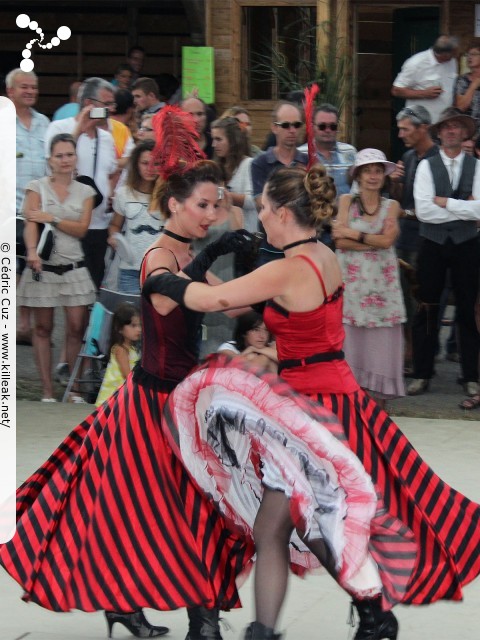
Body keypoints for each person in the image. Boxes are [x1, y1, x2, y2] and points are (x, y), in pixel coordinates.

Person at [149, 162, 480, 640]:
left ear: (284, 212)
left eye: (263, 208)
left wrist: (162, 276)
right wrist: (202, 268)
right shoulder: (322, 254)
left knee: (291, 525)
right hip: (328, 397)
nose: (258, 216)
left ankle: (354, 615)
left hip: (311, 408)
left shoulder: (287, 268)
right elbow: (235, 301)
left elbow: (211, 303)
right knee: (289, 525)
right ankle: (346, 617)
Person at [0, 107, 253, 640]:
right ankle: (167, 612)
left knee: (196, 508)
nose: (212, 213)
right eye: (203, 205)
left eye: (216, 204)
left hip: (187, 399)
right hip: (154, 407)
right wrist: (216, 256)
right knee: (146, 511)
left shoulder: (184, 246)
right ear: (175, 204)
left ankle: (193, 615)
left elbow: (220, 307)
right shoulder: (158, 253)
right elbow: (174, 302)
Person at [17, 133, 97, 403]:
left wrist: (51, 216)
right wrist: (30, 252)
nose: (65, 160)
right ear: (49, 160)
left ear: (76, 158)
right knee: (43, 327)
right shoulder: (35, 187)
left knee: (76, 326)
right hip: (43, 266)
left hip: (74, 265)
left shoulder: (86, 191)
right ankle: (47, 391)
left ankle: (73, 389)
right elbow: (30, 222)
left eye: (69, 154)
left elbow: (82, 229)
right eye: (59, 155)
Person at [409, 107, 480, 405]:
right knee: (427, 308)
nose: (451, 131)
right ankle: (422, 373)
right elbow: (423, 210)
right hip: (432, 245)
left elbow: (479, 210)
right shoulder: (426, 165)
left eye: (457, 127)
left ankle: (472, 376)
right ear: (438, 133)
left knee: (468, 310)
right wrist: (461, 206)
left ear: (465, 133)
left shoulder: (477, 166)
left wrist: (443, 202)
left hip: (468, 244)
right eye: (446, 127)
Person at [332, 149, 406, 406]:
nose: (373, 176)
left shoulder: (391, 205)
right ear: (358, 175)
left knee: (380, 343)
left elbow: (387, 240)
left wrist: (356, 235)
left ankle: (379, 409)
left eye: (377, 171)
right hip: (352, 287)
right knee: (351, 340)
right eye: (367, 171)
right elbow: (339, 241)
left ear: (384, 176)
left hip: (383, 288)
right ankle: (354, 404)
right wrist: (372, 243)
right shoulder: (345, 201)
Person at [45, 77, 118, 290]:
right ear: (88, 104)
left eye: (112, 104)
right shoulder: (60, 128)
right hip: (70, 224)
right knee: (70, 293)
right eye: (106, 104)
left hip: (100, 225)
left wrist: (110, 193)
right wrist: (79, 128)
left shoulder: (106, 136)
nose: (111, 109)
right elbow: (53, 167)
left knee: (93, 290)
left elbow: (111, 171)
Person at [388, 105, 439, 374]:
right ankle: (409, 352)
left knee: (424, 299)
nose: (400, 134)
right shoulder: (407, 157)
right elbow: (400, 200)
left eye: (406, 129)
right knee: (403, 299)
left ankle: (423, 355)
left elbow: (435, 205)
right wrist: (394, 183)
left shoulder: (438, 158)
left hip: (428, 239)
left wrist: (404, 212)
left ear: (423, 128)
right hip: (404, 238)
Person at [7, 67, 50, 346]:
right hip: (8, 208)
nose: (30, 92)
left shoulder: (45, 123)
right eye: (24, 87)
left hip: (37, 210)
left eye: (33, 87)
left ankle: (24, 324)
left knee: (32, 266)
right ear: (10, 92)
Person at [251, 101, 307, 265]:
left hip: (301, 246)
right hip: (271, 248)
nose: (292, 130)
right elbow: (259, 202)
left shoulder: (308, 161)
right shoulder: (260, 162)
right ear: (274, 127)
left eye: (297, 125)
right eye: (286, 125)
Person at [108, 140, 162, 293]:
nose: (150, 168)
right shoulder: (123, 193)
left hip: (162, 270)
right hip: (130, 269)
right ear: (136, 164)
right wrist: (114, 237)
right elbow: (115, 225)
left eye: (156, 163)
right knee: (131, 315)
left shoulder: (169, 195)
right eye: (145, 163)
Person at [392, 35, 459, 123]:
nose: (455, 57)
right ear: (444, 54)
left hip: (444, 122)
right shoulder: (416, 63)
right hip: (421, 122)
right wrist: (424, 93)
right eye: (453, 55)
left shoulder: (453, 62)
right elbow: (396, 90)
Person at [298, 103, 356, 196]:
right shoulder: (301, 153)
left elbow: (356, 186)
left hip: (345, 209)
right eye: (322, 126)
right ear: (313, 127)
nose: (328, 130)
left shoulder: (350, 152)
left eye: (333, 126)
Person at [211, 116, 257, 233]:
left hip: (247, 234)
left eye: (219, 139)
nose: (213, 144)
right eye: (213, 139)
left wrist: (222, 194)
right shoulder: (217, 167)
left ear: (232, 141)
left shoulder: (248, 164)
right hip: (223, 234)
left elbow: (253, 201)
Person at [95, 302, 141, 406]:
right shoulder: (120, 349)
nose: (139, 329)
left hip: (121, 397)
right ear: (119, 328)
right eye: (133, 325)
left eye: (139, 325)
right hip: (112, 399)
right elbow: (127, 376)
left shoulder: (132, 348)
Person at [454, 38, 480, 136]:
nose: (469, 57)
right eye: (467, 54)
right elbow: (461, 107)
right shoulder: (462, 80)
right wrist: (474, 85)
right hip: (468, 134)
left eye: (473, 54)